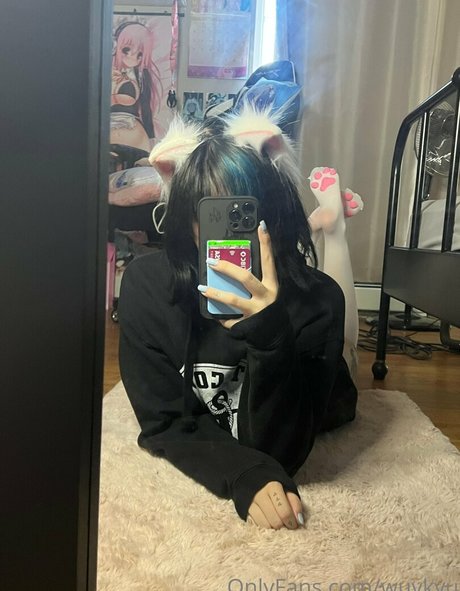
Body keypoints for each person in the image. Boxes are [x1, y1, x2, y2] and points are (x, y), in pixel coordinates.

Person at [117, 108, 361, 530]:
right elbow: (162, 423)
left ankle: (333, 229)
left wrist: (271, 335)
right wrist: (241, 471)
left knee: (348, 358)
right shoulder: (147, 287)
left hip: (321, 377)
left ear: (273, 212)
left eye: (242, 214)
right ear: (187, 218)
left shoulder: (318, 301)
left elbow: (283, 454)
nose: (227, 236)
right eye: (210, 214)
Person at [111, 21, 162, 151]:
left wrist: (151, 139)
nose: (132, 58)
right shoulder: (104, 69)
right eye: (126, 50)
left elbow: (146, 109)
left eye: (140, 55)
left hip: (136, 138)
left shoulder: (141, 75)